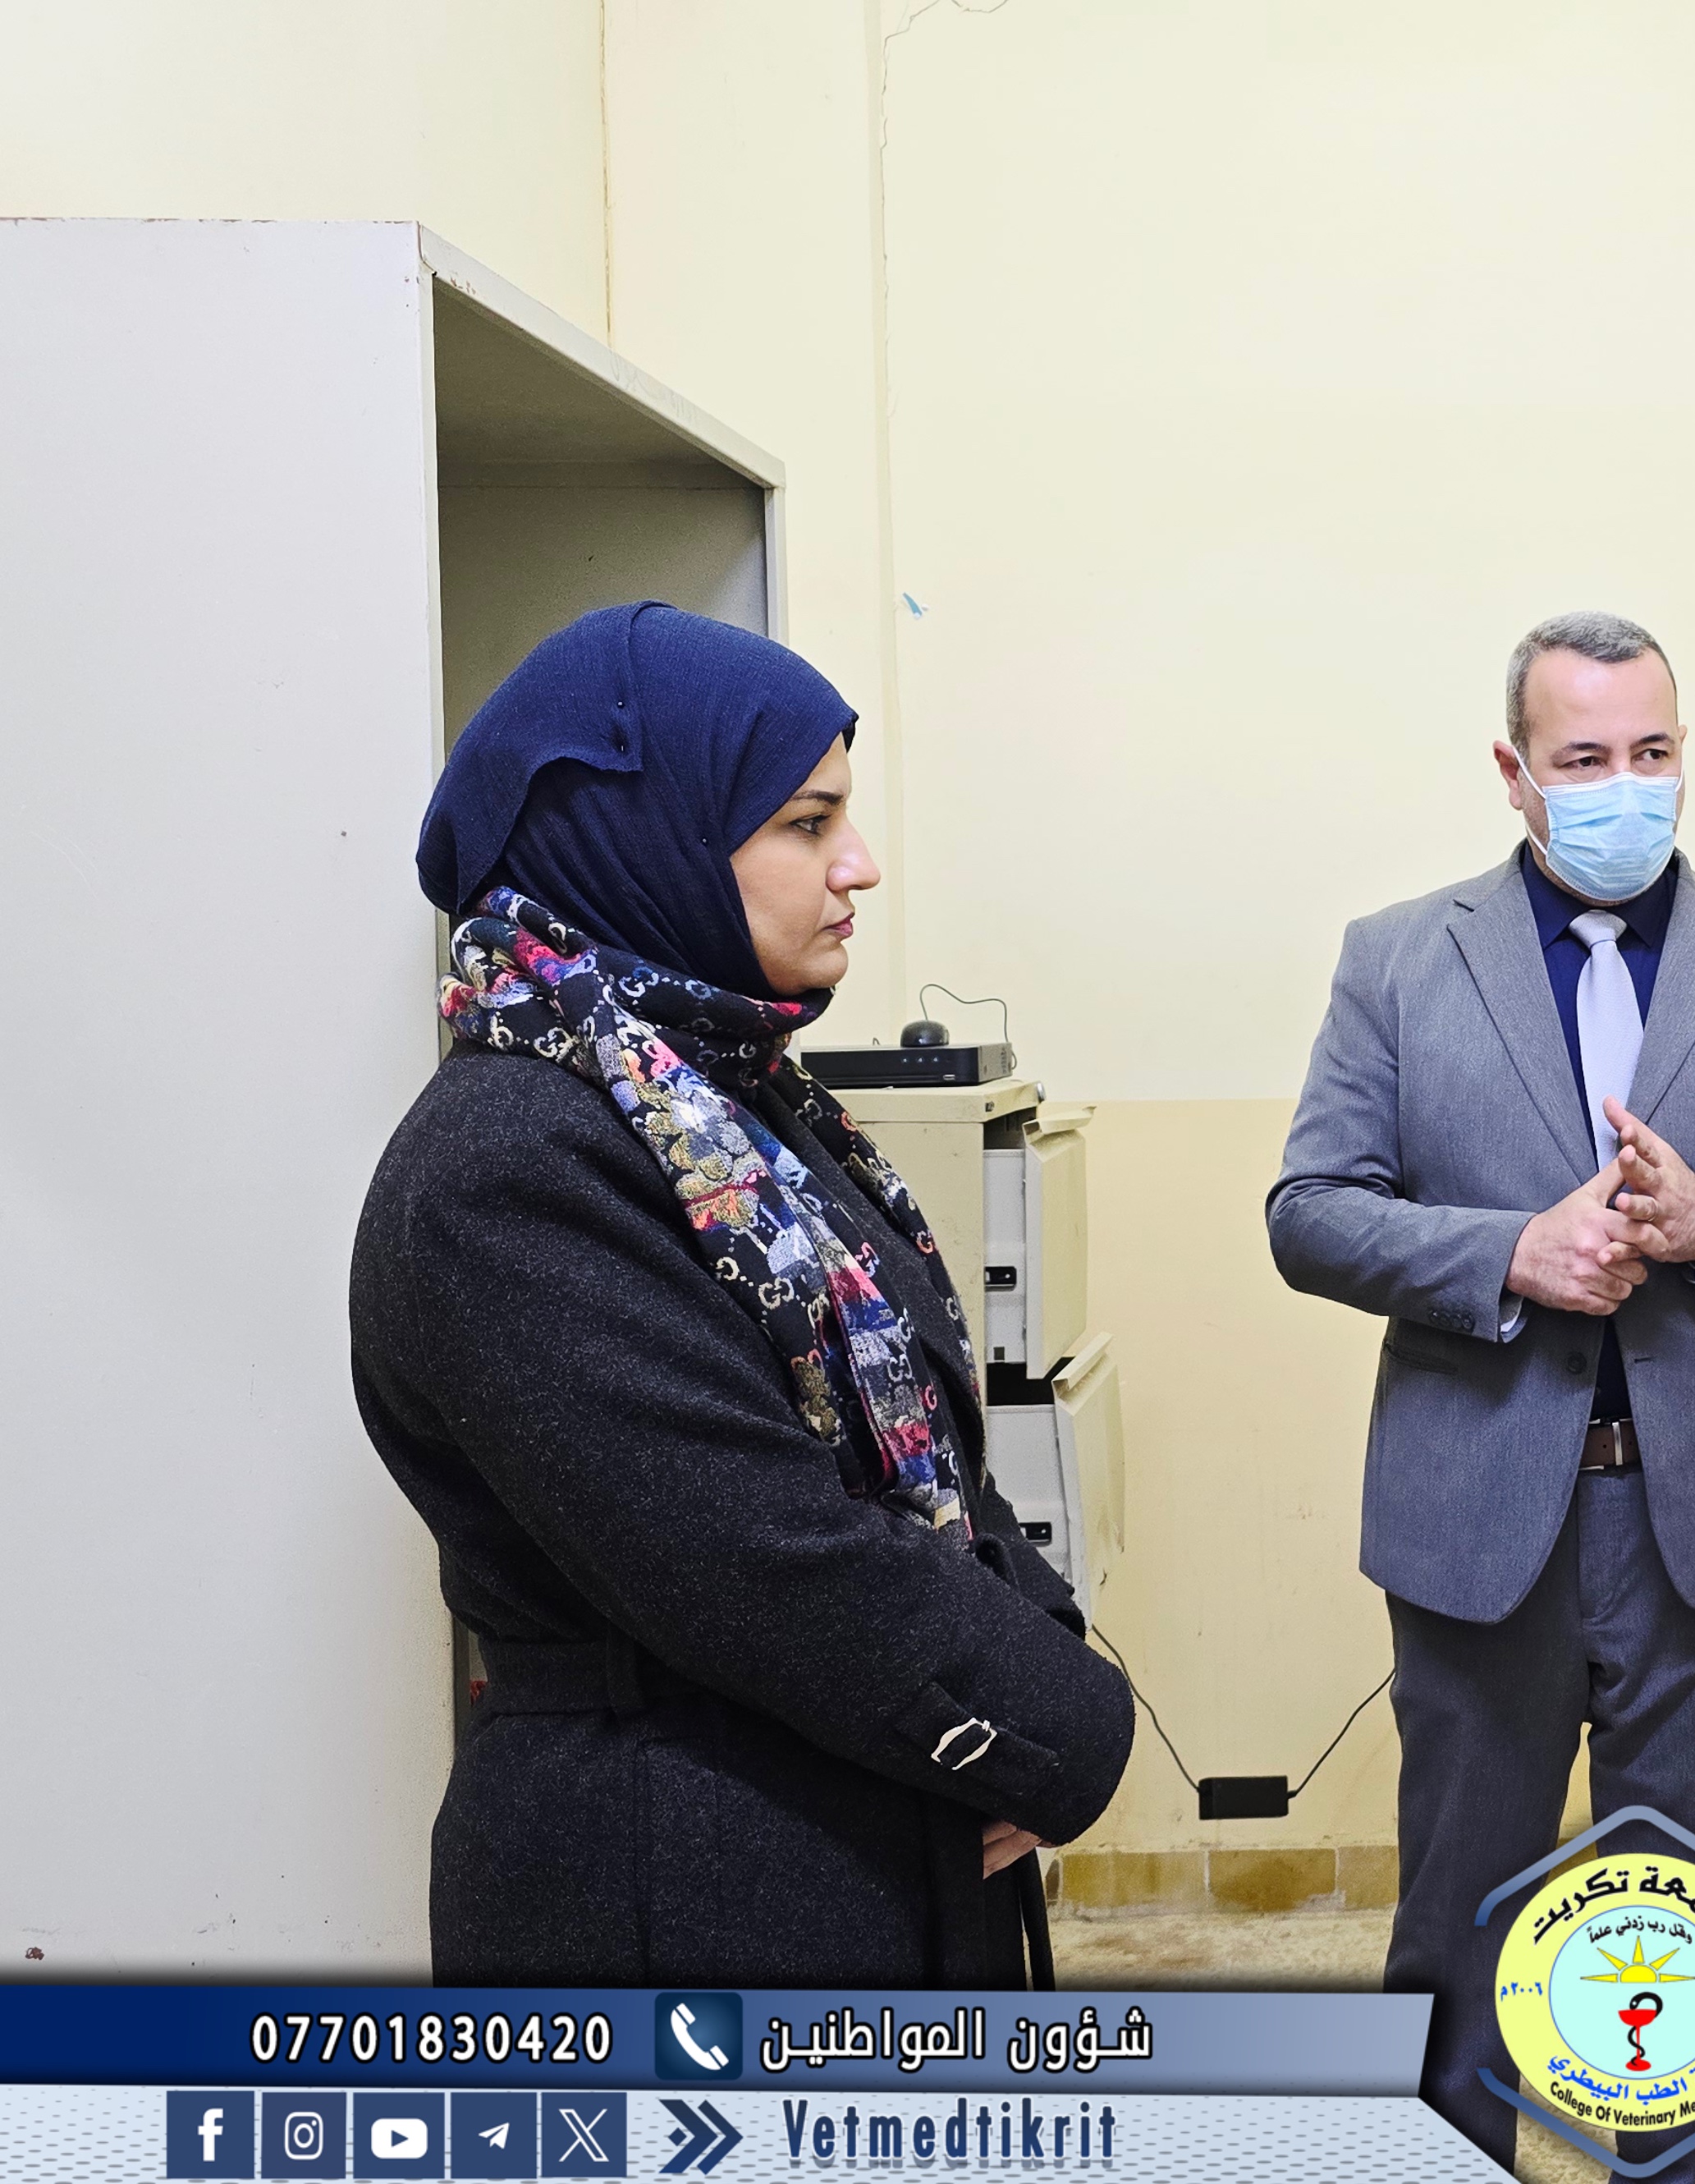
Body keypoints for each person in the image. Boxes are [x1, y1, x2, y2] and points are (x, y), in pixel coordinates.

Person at [350, 602, 1131, 1986]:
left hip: (839, 1815)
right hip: (678, 1887)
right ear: (641, 840)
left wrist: (1034, 1668)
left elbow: (928, 1447)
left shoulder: (731, 1107)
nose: (860, 864)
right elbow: (763, 1553)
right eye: (808, 823)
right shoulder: (507, 1164)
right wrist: (1062, 1727)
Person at [1268, 611, 1695, 2177]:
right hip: (1478, 1520)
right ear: (1513, 774)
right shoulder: (1396, 959)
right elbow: (1310, 1213)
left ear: (1685, 757)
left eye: (1651, 752)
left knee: (1678, 1941)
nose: (1623, 786)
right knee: (1456, 1929)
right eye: (1582, 760)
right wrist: (1510, 1253)